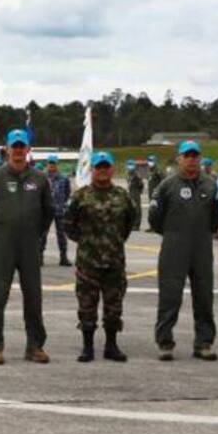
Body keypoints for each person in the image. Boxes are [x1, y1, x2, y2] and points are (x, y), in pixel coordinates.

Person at [0, 129, 54, 364]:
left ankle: (35, 346)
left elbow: (48, 212)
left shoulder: (39, 179)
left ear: (28, 149)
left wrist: (37, 234)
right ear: (8, 149)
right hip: (3, 244)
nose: (18, 150)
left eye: (22, 146)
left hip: (29, 245)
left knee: (33, 296)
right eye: (15, 146)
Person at [149, 140, 218, 361]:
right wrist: (172, 234)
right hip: (174, 248)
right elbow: (155, 218)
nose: (191, 160)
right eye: (187, 156)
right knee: (170, 297)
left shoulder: (211, 186)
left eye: (195, 156)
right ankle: (165, 342)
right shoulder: (167, 186)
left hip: (202, 248)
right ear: (179, 159)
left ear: (200, 158)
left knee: (204, 296)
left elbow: (217, 217)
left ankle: (204, 343)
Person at [64, 151, 139, 362]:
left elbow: (129, 222)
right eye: (99, 167)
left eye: (106, 167)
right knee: (87, 306)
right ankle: (87, 347)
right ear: (92, 170)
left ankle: (111, 345)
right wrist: (86, 242)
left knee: (114, 306)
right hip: (88, 261)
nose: (103, 171)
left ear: (112, 169)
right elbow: (68, 224)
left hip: (114, 261)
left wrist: (113, 241)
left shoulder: (122, 196)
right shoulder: (80, 196)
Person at [45, 155, 73, 267]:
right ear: (47, 164)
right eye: (50, 163)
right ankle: (39, 256)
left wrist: (62, 203)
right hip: (46, 210)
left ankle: (63, 257)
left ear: (57, 165)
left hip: (60, 210)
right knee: (42, 235)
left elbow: (67, 192)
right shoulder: (42, 177)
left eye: (54, 164)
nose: (52, 166)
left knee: (62, 235)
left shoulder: (63, 178)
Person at [145, 156, 164, 231]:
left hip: (157, 195)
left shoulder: (158, 171)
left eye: (152, 161)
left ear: (155, 161)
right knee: (152, 211)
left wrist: (159, 190)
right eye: (149, 160)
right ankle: (152, 226)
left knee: (157, 211)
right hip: (151, 194)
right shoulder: (150, 171)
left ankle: (157, 227)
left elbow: (163, 180)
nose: (150, 162)